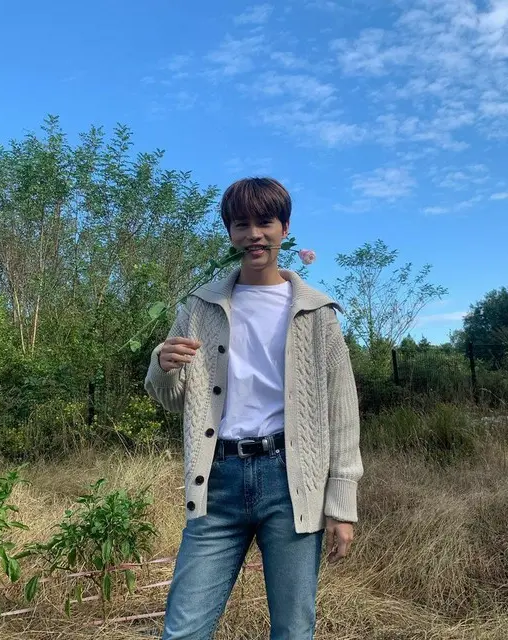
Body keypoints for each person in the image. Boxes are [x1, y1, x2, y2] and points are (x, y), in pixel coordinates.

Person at [144, 177, 363, 640]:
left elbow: (342, 411)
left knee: (293, 629)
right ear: (230, 233)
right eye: (241, 224)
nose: (254, 234)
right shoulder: (200, 306)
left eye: (265, 222)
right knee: (183, 630)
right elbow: (172, 399)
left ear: (285, 228)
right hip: (216, 482)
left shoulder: (317, 313)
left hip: (292, 482)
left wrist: (341, 504)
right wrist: (162, 365)